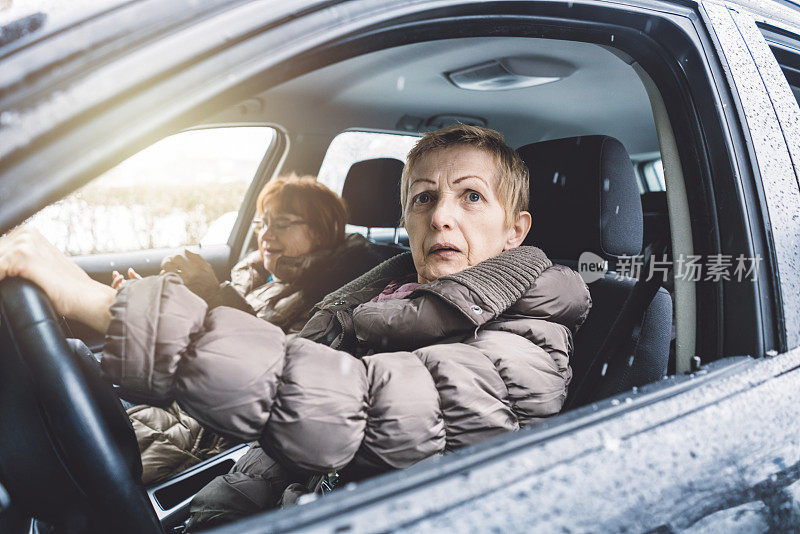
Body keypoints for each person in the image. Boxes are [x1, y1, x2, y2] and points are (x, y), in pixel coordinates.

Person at [0, 124, 591, 529]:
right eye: (422, 198)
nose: (440, 215)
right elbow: (279, 406)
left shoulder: (529, 339)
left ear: (516, 231)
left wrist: (106, 309)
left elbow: (350, 406)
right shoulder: (378, 298)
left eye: (471, 198)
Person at [111, 175, 399, 484]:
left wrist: (215, 296)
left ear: (322, 230)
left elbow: (270, 372)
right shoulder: (257, 275)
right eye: (262, 224)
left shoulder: (335, 295)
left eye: (283, 224)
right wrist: (150, 308)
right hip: (185, 400)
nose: (266, 235)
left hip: (216, 429)